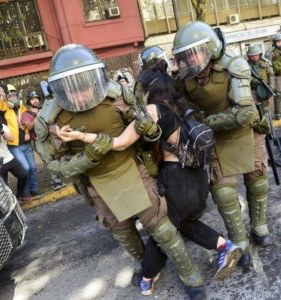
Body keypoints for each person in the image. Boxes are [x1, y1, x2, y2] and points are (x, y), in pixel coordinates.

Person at [56, 65, 243, 295]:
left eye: (140, 88)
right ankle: (224, 246)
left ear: (148, 89)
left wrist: (81, 136)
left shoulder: (153, 111)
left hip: (176, 179)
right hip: (197, 178)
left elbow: (120, 143)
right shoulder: (182, 104)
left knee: (162, 230)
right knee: (181, 224)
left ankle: (147, 274)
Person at [37, 44, 205, 299]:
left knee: (161, 228)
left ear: (95, 78)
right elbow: (55, 167)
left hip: (132, 169)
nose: (80, 94)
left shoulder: (118, 96)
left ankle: (191, 276)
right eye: (71, 87)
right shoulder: (49, 120)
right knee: (124, 234)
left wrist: (150, 131)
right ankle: (148, 268)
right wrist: (89, 156)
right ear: (59, 88)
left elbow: (146, 130)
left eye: (84, 84)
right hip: (96, 183)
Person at [172, 21, 273, 268]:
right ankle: (239, 241)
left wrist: (204, 121)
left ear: (210, 47)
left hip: (246, 132)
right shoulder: (184, 79)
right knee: (224, 193)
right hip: (215, 139)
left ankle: (259, 226)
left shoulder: (233, 65)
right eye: (186, 55)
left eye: (195, 51)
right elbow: (181, 108)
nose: (192, 59)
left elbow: (244, 114)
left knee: (257, 180)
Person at [0, 84, 41, 197]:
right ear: (7, 97)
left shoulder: (22, 108)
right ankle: (25, 192)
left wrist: (26, 133)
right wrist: (2, 97)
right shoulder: (5, 109)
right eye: (10, 96)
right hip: (14, 146)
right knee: (25, 168)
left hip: (26, 144)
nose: (13, 98)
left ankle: (34, 188)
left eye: (14, 95)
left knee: (32, 167)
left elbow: (24, 123)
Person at [21, 91, 66, 191]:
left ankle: (59, 176)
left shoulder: (44, 109)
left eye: (36, 98)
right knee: (47, 159)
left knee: (56, 156)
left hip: (49, 137)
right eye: (32, 99)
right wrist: (37, 115)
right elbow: (29, 126)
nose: (35, 100)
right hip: (38, 140)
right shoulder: (26, 114)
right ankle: (55, 181)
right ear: (28, 101)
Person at [247, 44, 275, 115]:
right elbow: (245, 77)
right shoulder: (246, 65)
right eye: (252, 56)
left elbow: (271, 75)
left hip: (264, 88)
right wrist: (253, 80)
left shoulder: (265, 63)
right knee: (256, 108)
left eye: (256, 55)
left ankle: (267, 123)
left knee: (265, 108)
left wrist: (271, 86)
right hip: (253, 89)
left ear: (260, 54)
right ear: (249, 56)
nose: (254, 57)